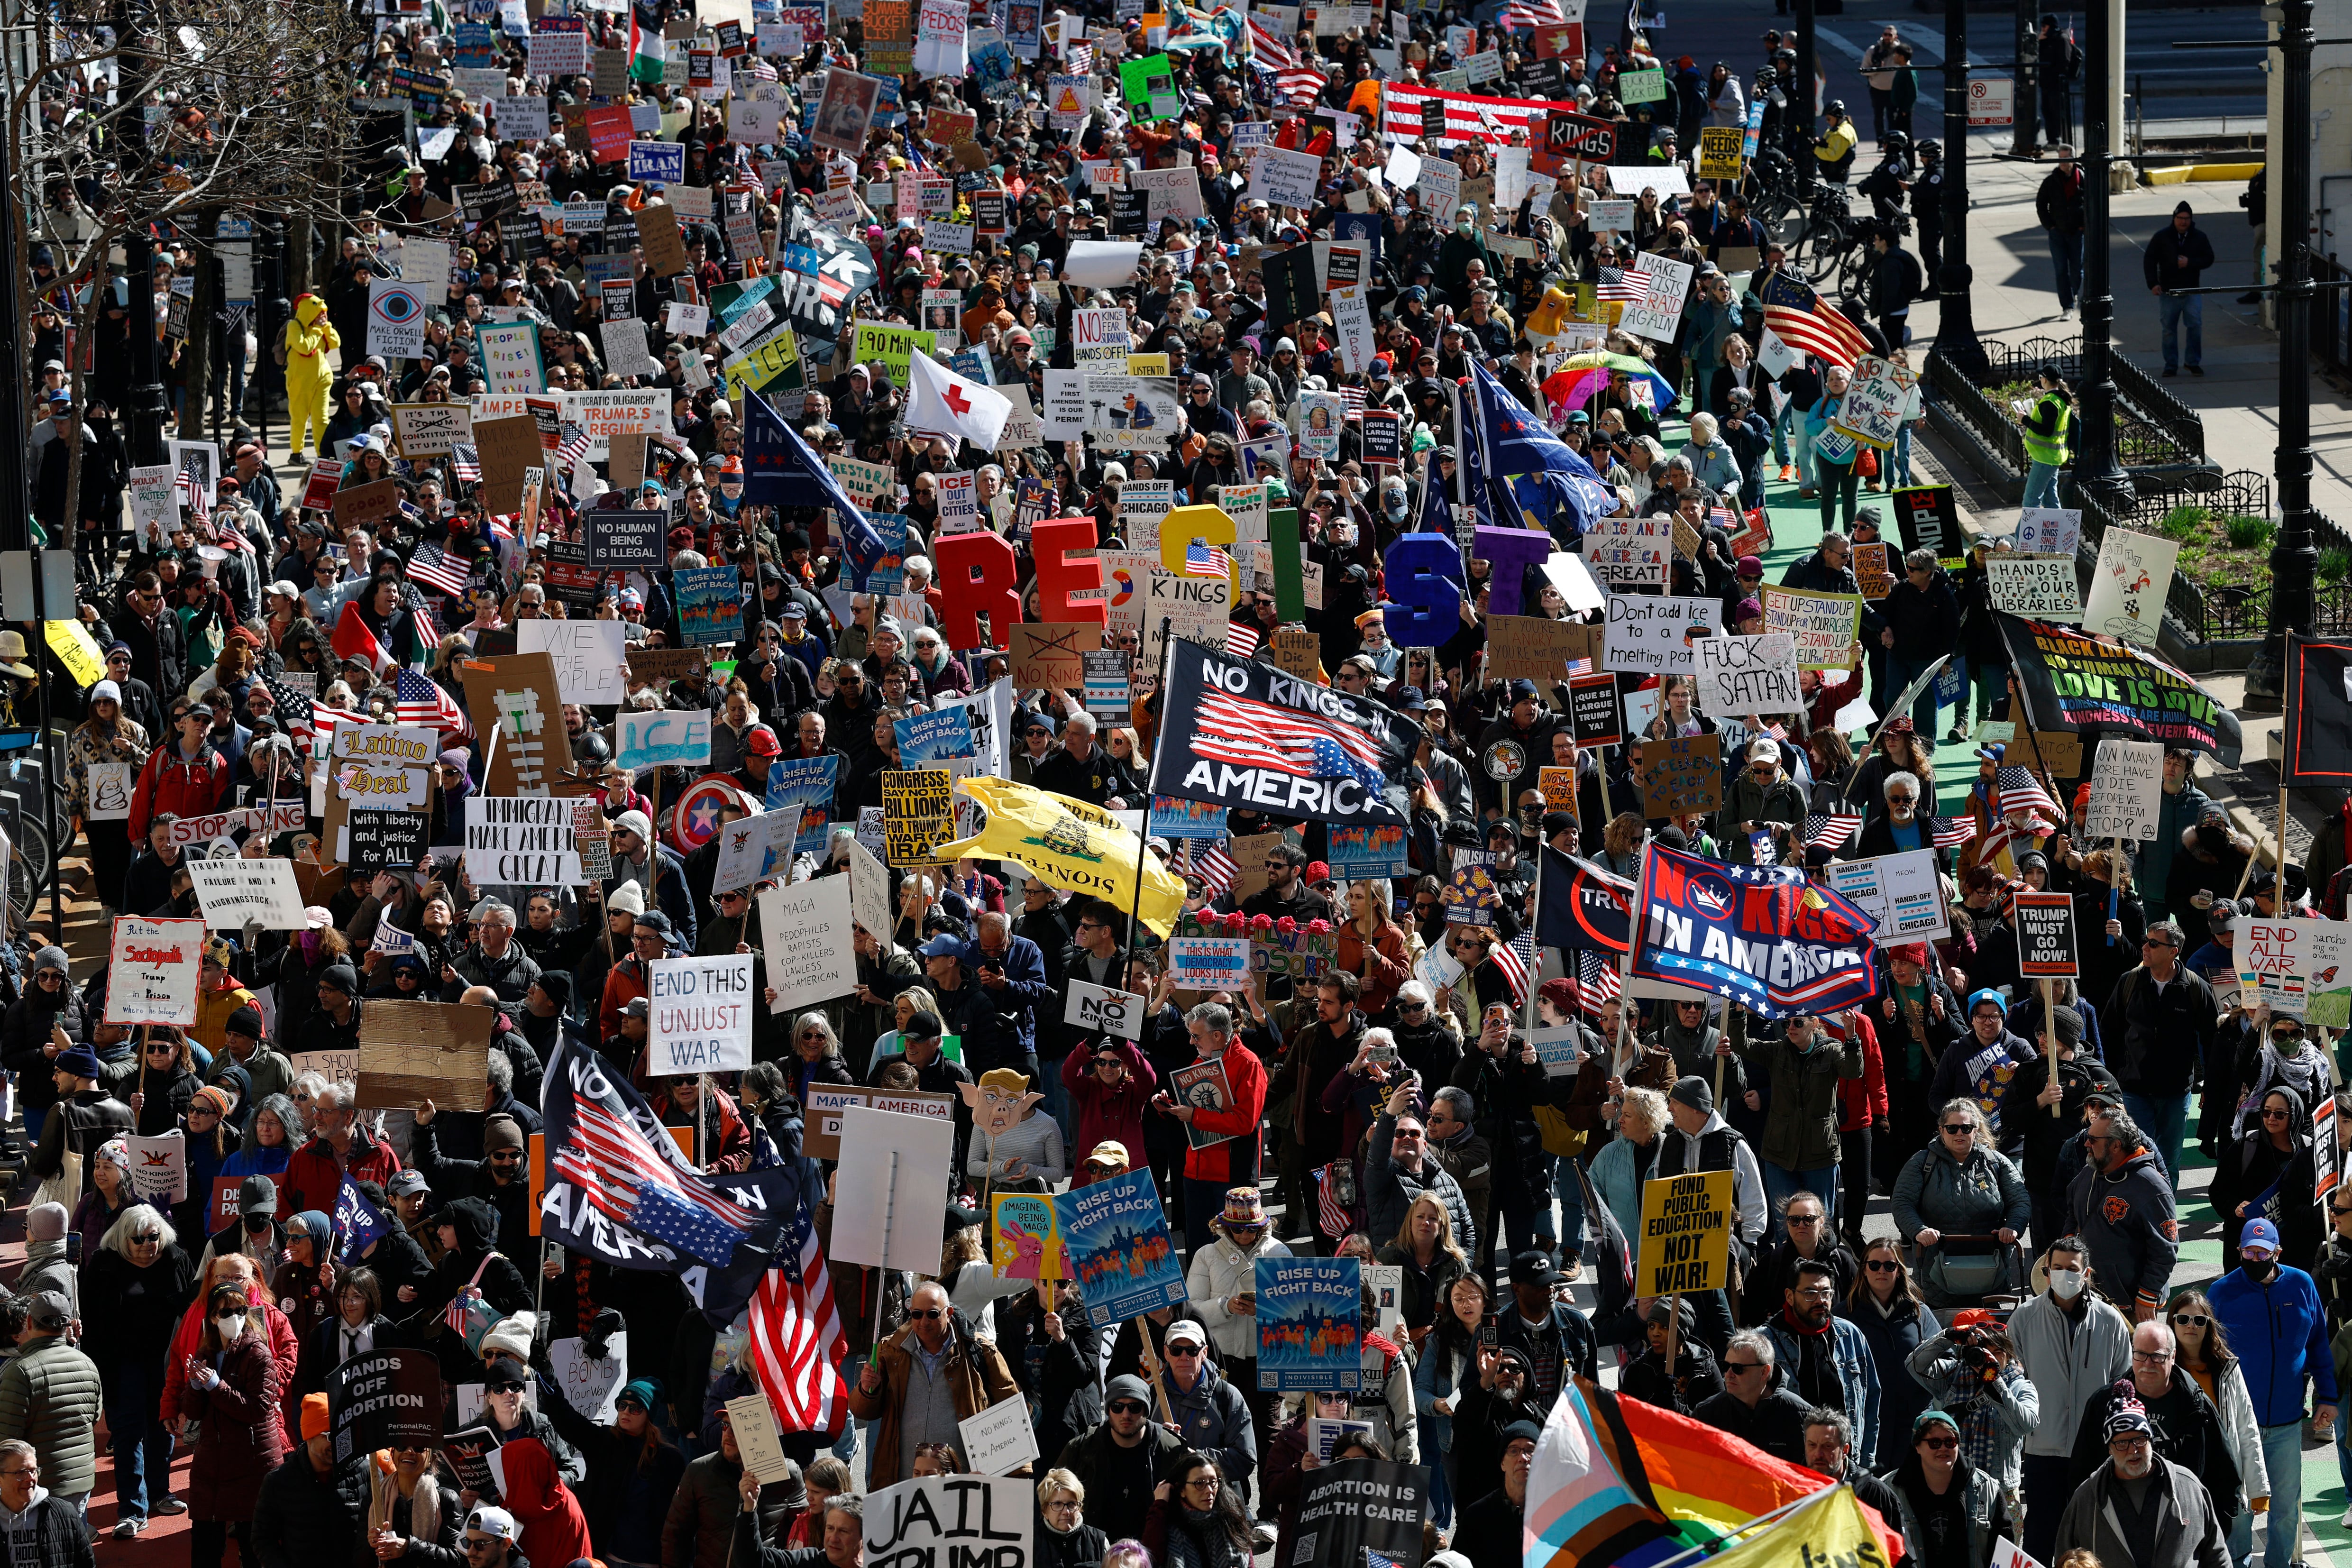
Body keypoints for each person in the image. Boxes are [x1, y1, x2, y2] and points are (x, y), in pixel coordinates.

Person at [2209, 1216, 2337, 1568]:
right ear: (2238, 1251)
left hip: (2285, 1423)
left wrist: (2326, 1395)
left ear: (2276, 1252)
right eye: (2248, 1251)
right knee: (2239, 1510)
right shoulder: (2219, 1292)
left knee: (2284, 1506)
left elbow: (2318, 1345)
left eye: (2261, 1252)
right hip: (2236, 1424)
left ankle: (2279, 1564)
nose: (2254, 1258)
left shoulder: (2302, 1285)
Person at [2013, 1235, 2136, 1562]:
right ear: (2046, 1270)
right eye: (2057, 1267)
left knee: (2092, 1540)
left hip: (2094, 1453)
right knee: (2041, 1536)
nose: (2063, 1274)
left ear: (2086, 1274)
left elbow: (2122, 1388)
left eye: (2072, 1268)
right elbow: (2010, 1383)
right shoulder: (2023, 1319)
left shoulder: (2110, 1321)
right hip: (2042, 1450)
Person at [81, 1204, 197, 1535]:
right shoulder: (104, 1266)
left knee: (163, 1425)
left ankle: (161, 1492)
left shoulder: (176, 1260)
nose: (148, 1244)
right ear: (121, 1238)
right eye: (139, 1239)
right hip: (121, 1364)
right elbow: (91, 1319)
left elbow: (190, 1310)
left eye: (154, 1236)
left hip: (164, 1362)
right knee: (128, 1432)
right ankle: (132, 1508)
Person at [844, 1279, 1021, 1487]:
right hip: (903, 1480)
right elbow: (862, 1411)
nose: (924, 1321)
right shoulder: (890, 1351)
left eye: (933, 1314)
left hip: (961, 1481)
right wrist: (867, 1389)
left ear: (950, 1313)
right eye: (917, 1314)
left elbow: (1010, 1417)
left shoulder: (982, 1352)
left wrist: (1018, 1477)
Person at [1724, 1007, 1861, 1237]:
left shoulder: (1831, 1051)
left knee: (1819, 1225)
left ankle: (1822, 1271)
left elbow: (1853, 1070)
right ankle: (1787, 1271)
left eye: (1798, 1023)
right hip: (1780, 1152)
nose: (1791, 1028)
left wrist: (1851, 1037)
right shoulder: (1778, 1050)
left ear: (1814, 1023)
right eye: (1787, 1023)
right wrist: (1739, 1011)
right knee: (1785, 1227)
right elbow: (1742, 1045)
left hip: (1820, 1153)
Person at [191, 1288, 296, 1568]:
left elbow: (257, 1410)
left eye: (241, 1311)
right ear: (213, 1318)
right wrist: (195, 1387)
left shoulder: (259, 1353)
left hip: (252, 1459)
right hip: (213, 1458)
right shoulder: (206, 1352)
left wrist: (216, 1386)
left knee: (255, 1547)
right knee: (205, 1546)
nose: (235, 1317)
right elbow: (192, 1412)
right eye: (227, 1312)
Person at [2052, 1404, 2230, 1568]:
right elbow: (2065, 1559)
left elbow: (2217, 1555)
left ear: (2152, 1441)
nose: (2133, 1450)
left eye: (2140, 1439)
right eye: (2122, 1443)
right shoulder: (2087, 1498)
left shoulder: (2187, 1487)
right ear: (2109, 1449)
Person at [2166, 1289, 2269, 1568]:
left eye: (2199, 1321)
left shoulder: (2227, 1368)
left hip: (2224, 1481)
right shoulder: (2161, 1369)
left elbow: (2246, 1427)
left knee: (2234, 1557)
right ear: (2172, 1323)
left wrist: (2258, 1487)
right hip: (2178, 1484)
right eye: (2184, 1319)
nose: (2191, 1326)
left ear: (2209, 1326)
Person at [1892, 1098, 2029, 1307]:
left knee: (1990, 1333)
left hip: (1989, 1269)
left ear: (1976, 1130)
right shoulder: (1921, 1163)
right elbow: (1902, 1202)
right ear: (1941, 1130)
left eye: (1966, 1128)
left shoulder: (1996, 1162)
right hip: (1937, 1269)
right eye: (1952, 1128)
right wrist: (1918, 1230)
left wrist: (2013, 1227)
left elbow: (2020, 1200)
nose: (1959, 1134)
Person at [1758, 1257, 1882, 1463]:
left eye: (1826, 1293)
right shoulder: (1763, 1343)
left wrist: (1866, 1463)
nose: (1820, 1300)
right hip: (1787, 1467)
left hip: (1843, 1464)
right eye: (1810, 1293)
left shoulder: (1850, 1336)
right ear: (1789, 1296)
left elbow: (1871, 1403)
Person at [1839, 1238, 1941, 1472]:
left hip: (1915, 1425)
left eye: (1889, 1266)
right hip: (1867, 1427)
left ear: (1900, 1271)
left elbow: (1946, 1359)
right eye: (1874, 1265)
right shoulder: (1845, 1316)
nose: (1881, 1271)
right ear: (1864, 1270)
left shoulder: (1919, 1313)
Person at [2070, 1109, 2180, 1323]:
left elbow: (2165, 1250)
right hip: (2089, 1294)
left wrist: (2147, 1297)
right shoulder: (2090, 1172)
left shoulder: (2152, 1188)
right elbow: (2071, 1211)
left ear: (2116, 1145)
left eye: (2092, 1140)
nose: (2086, 1144)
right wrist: (2068, 1243)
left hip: (2130, 1306)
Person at [0, 1292, 100, 1520]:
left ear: (29, 1322)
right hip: (81, 1481)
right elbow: (94, 1417)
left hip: (38, 1486)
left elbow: (7, 1438)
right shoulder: (87, 1363)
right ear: (67, 1324)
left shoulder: (22, 1371)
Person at [1881, 1407, 2014, 1568]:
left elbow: (2005, 1552)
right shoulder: (1889, 1491)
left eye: (1950, 1442)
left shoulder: (1987, 1489)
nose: (1943, 1448)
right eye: (1935, 1443)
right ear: (1917, 1447)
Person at [1053, 1373, 1187, 1522]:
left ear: (1146, 1411)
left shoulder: (1171, 1449)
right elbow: (1052, 1504)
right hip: (1096, 1542)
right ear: (1109, 1410)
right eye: (1118, 1407)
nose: (1126, 1415)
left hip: (1153, 1542)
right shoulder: (1081, 1449)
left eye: (1134, 1407)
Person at [1693, 1329, 1813, 1465]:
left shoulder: (1802, 1415)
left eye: (1738, 1368)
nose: (1729, 1374)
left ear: (1764, 1372)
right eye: (1726, 1366)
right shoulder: (1707, 1414)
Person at [1140, 1450, 1254, 1568]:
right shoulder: (1167, 1525)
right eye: (1200, 1483)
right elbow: (1149, 1560)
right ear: (1182, 1490)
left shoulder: (1231, 1517)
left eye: (1213, 1482)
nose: (1209, 1490)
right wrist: (1160, 1505)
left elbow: (1248, 1559)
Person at [1449, 1420, 1538, 1568]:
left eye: (1530, 1450)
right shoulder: (1477, 1516)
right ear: (1502, 1463)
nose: (1523, 1458)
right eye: (1514, 1451)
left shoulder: (1557, 1516)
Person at [0, 1439, 95, 1568]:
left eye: (33, 1470)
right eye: (21, 1473)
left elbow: (86, 1563)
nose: (31, 1479)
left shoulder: (65, 1513)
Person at [2147, 202, 2216, 376]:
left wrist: (2190, 263)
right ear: (2174, 218)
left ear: (2191, 220)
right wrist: (2153, 283)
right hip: (2169, 292)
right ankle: (2171, 365)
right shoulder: (2162, 237)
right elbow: (2149, 260)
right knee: (2169, 330)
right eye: (2180, 218)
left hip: (2191, 291)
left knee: (2195, 325)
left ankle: (2192, 362)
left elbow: (2209, 258)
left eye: (2186, 219)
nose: (2183, 222)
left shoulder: (2199, 237)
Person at [2036, 151, 2088, 320]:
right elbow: (2041, 204)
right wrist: (2050, 226)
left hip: (2076, 232)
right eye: (2060, 159)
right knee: (2060, 270)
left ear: (2073, 160)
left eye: (2066, 159)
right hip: (2057, 233)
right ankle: (2067, 306)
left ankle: (2073, 292)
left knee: (2077, 270)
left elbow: (2092, 204)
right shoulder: (2051, 181)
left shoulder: (2083, 179)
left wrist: (2084, 226)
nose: (2063, 163)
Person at [2018, 364, 2074, 512]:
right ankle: (2061, 532)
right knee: (2050, 500)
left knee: (2031, 500)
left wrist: (2024, 419)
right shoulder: (2060, 400)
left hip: (2044, 458)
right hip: (2051, 457)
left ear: (2044, 380)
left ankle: (2023, 535)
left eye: (2040, 377)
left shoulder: (2050, 402)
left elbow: (2046, 431)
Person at [1034, 1469, 1108, 1568]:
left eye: (1072, 1504)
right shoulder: (1030, 1541)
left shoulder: (1099, 1542)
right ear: (1044, 1511)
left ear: (1080, 1508)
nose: (1066, 1512)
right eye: (1057, 1504)